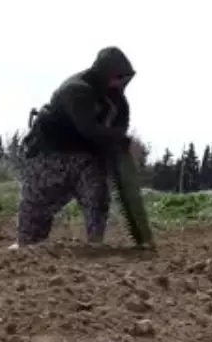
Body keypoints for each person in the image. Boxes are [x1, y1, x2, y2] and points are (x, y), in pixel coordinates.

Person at [12, 46, 138, 249]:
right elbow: (89, 129)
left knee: (97, 194)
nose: (120, 83)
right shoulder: (76, 90)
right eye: (117, 77)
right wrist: (120, 140)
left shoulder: (119, 104)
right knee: (32, 228)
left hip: (86, 160)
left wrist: (121, 154)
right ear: (104, 73)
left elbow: (117, 134)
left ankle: (95, 244)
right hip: (49, 155)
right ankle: (25, 244)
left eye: (124, 78)